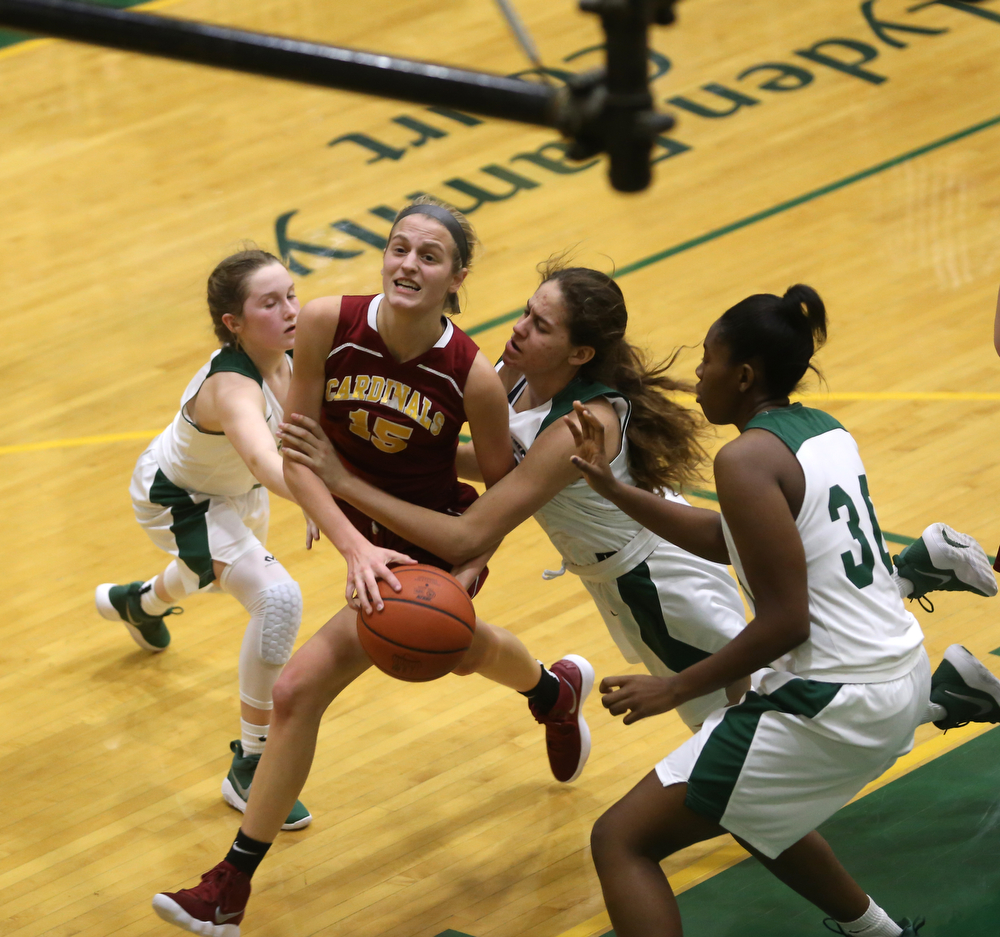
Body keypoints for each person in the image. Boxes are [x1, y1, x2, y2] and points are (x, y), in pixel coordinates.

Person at [278, 263, 995, 734]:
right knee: (774, 695)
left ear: (581, 354)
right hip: (643, 558)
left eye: (540, 324)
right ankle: (920, 590)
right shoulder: (514, 372)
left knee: (756, 723)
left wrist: (345, 480)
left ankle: (942, 683)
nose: (519, 328)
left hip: (655, 582)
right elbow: (502, 477)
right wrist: (378, 454)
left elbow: (490, 514)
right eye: (527, 312)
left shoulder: (584, 422)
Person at [151, 198, 593, 937]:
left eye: (429, 255)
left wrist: (471, 561)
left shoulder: (473, 377)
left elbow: (501, 495)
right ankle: (552, 690)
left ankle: (229, 886)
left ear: (456, 277)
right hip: (363, 535)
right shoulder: (328, 322)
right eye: (398, 248)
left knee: (298, 689)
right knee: (463, 648)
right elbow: (302, 449)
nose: (407, 264)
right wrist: (350, 538)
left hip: (424, 540)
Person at [567, 284, 1000, 937]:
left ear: (744, 375)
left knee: (621, 840)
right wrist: (613, 488)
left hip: (830, 700)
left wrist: (677, 685)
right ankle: (879, 932)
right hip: (897, 675)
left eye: (708, 359)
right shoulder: (822, 431)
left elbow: (785, 622)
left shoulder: (744, 458)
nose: (697, 374)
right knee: (753, 805)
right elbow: (728, 538)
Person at [96, 248, 313, 831]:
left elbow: (299, 436)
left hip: (233, 494)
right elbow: (269, 462)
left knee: (210, 575)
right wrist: (324, 500)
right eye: (270, 303)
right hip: (180, 500)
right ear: (233, 324)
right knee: (277, 599)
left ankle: (137, 604)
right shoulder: (231, 387)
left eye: (291, 293)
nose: (290, 309)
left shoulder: (289, 355)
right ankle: (253, 762)